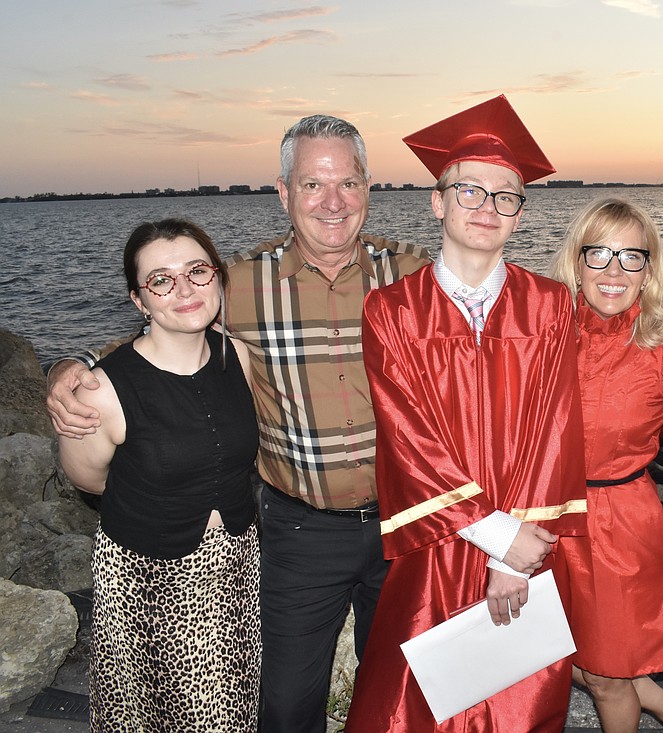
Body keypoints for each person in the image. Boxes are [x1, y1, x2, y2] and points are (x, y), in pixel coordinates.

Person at [45, 115, 430, 733]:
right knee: (285, 706)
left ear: (368, 186)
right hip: (300, 533)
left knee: (403, 696)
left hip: (407, 525)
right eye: (312, 184)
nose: (332, 202)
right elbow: (169, 324)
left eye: (348, 183)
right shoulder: (243, 282)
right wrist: (75, 365)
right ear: (283, 192)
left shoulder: (414, 275)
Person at [343, 94, 588, 733]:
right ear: (438, 202)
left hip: (530, 545)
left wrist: (513, 555)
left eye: (506, 196)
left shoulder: (551, 305)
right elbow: (407, 438)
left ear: (520, 213)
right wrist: (492, 533)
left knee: (517, 705)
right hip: (437, 542)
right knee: (411, 706)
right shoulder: (392, 311)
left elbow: (557, 428)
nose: (488, 207)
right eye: (470, 190)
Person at [58, 219, 260, 731]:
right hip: (149, 580)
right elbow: (90, 480)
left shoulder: (236, 356)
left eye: (197, 271)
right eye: (162, 280)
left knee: (238, 705)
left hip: (238, 567)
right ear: (139, 300)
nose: (185, 290)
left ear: (217, 277)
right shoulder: (101, 392)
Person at [548, 197, 663, 733]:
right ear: (576, 261)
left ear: (649, 271)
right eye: (599, 253)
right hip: (542, 521)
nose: (614, 271)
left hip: (617, 525)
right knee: (547, 648)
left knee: (607, 672)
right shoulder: (540, 334)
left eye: (631, 256)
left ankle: (662, 710)